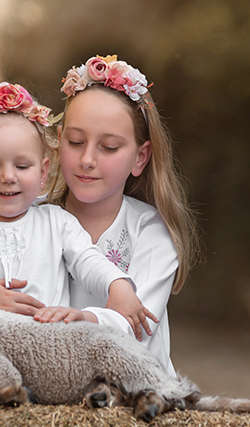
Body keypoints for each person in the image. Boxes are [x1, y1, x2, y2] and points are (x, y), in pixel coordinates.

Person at [0, 82, 156, 339]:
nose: (8, 177)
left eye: (22, 166)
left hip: (47, 352)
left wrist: (116, 285)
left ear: (42, 173)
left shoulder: (58, 222)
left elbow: (88, 260)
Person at [37, 55, 199, 375]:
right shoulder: (34, 219)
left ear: (140, 158)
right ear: (58, 143)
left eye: (109, 147)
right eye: (76, 141)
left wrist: (82, 319)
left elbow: (133, 331)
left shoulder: (150, 231)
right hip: (55, 384)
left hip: (133, 389)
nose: (87, 159)